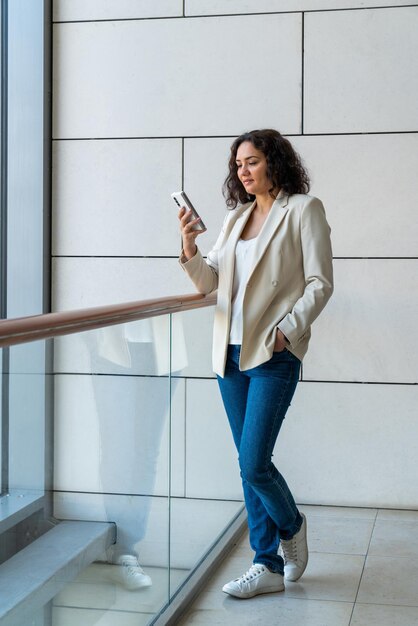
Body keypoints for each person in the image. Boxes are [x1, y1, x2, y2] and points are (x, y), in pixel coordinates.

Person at [178, 129, 333, 599]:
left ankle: (292, 527)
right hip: (228, 353)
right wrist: (188, 246)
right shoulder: (235, 219)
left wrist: (288, 330)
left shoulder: (303, 209)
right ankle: (266, 563)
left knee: (253, 461)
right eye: (238, 164)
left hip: (271, 353)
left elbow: (320, 282)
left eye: (252, 162)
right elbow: (209, 282)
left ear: (275, 163)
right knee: (247, 466)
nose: (243, 172)